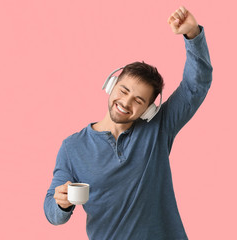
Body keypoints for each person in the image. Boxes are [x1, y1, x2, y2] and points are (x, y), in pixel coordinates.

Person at [44, 6, 213, 240]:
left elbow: (196, 86)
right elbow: (53, 214)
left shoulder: (159, 128)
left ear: (148, 109)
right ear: (111, 86)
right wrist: (61, 204)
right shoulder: (72, 147)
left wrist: (193, 35)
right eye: (123, 91)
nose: (125, 102)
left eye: (138, 100)